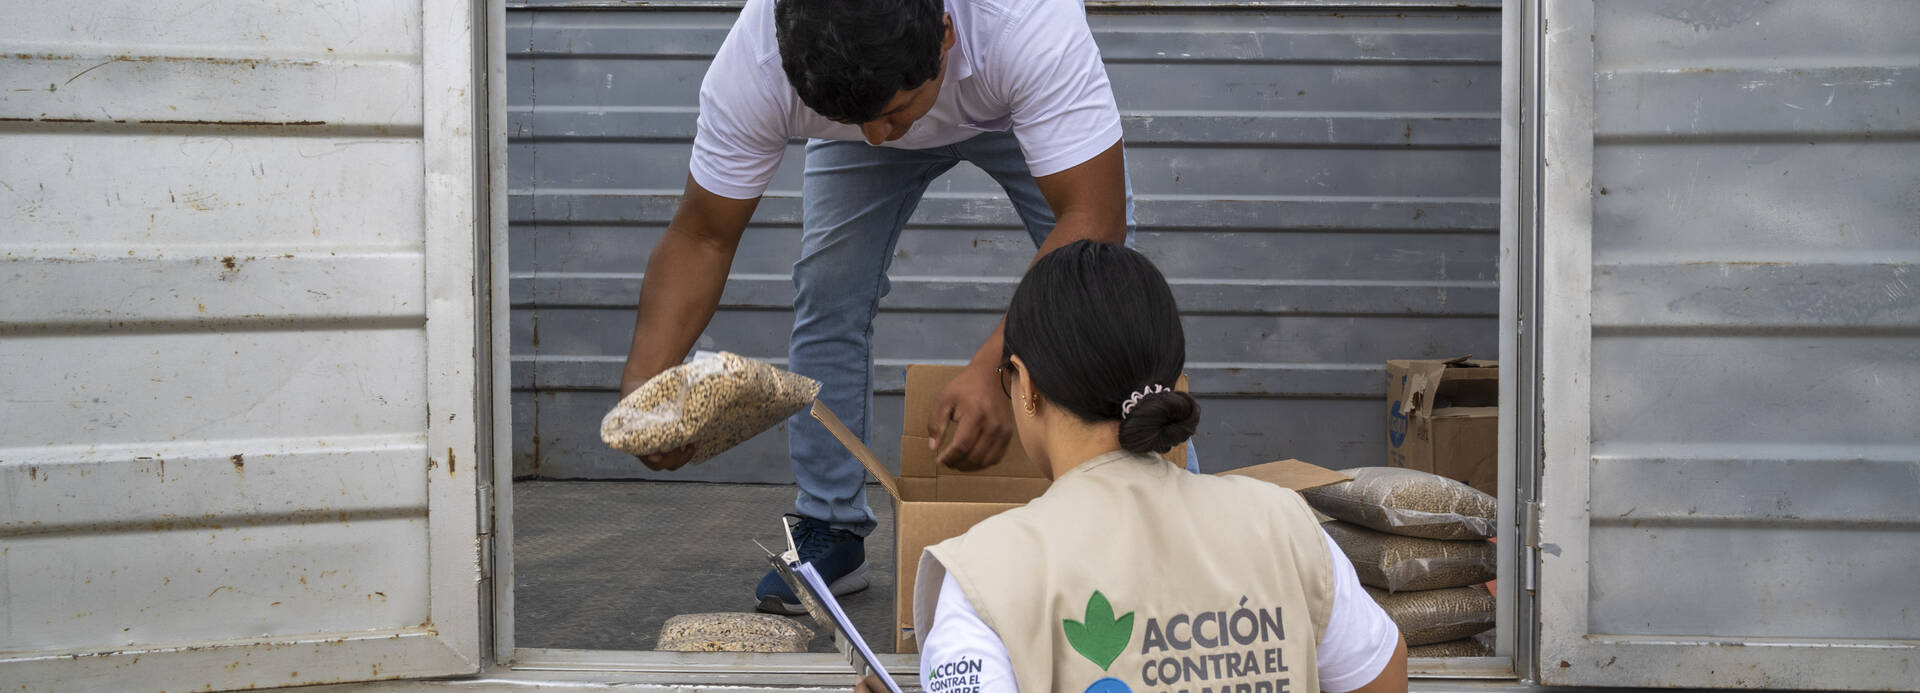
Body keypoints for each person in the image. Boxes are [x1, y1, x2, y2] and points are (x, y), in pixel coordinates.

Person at [617, 0, 1142, 614]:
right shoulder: (760, 61)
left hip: (1006, 106)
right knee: (827, 288)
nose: (876, 138)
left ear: (945, 35)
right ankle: (830, 529)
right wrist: (644, 385)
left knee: (1113, 288)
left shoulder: (1024, 24)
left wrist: (1001, 367)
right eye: (845, 116)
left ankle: (1154, 501)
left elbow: (1094, 220)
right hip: (878, 84)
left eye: (892, 115)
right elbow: (701, 235)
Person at [859, 241, 1407, 693]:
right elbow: (1381, 676)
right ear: (1171, 380)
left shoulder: (985, 576)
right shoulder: (1285, 525)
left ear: (1025, 387)